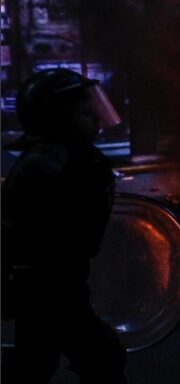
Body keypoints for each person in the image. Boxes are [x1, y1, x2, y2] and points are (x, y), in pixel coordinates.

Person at [1, 68, 126, 383]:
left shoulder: (63, 159)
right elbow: (23, 235)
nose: (96, 117)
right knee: (99, 356)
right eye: (85, 111)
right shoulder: (46, 166)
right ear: (58, 117)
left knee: (36, 363)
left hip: (55, 286)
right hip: (50, 289)